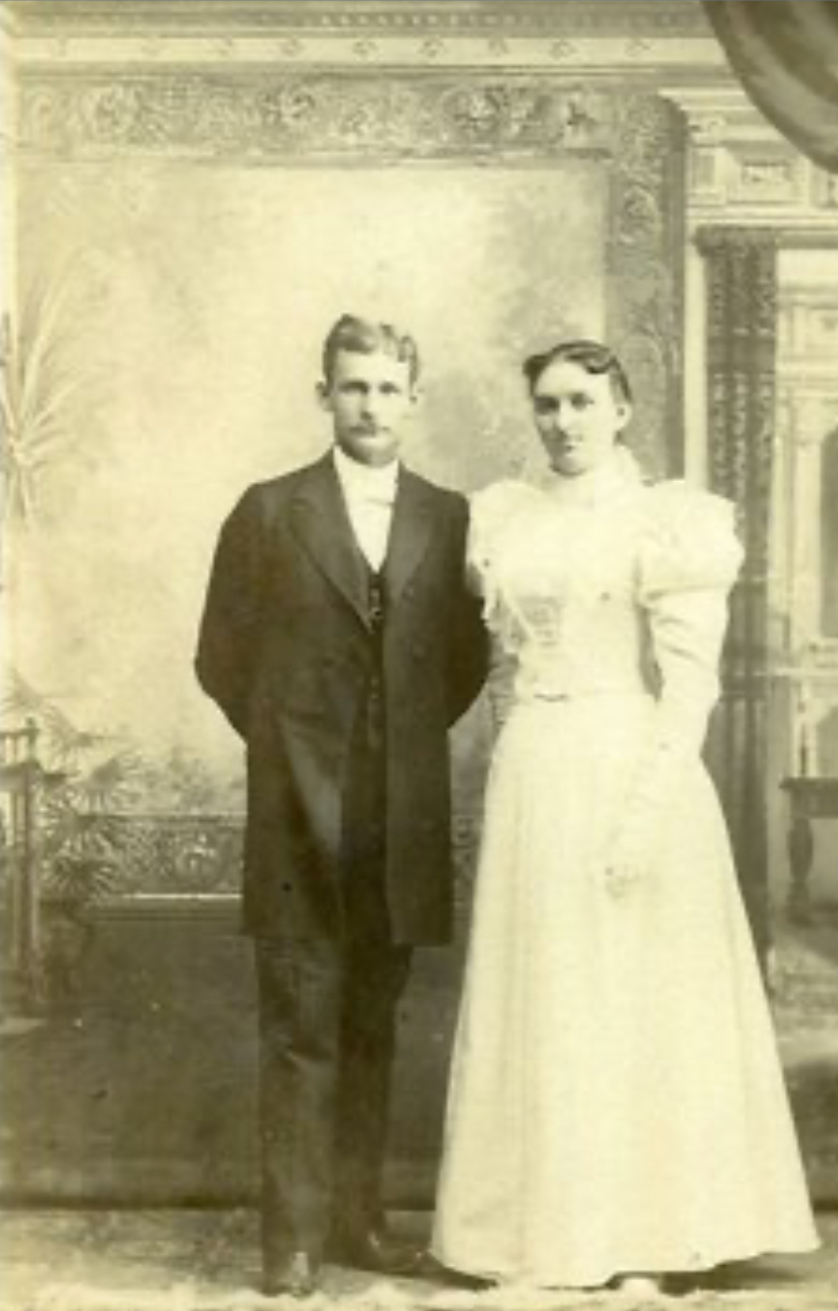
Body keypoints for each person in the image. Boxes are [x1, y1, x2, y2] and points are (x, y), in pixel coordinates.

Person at [430, 339, 819, 1295]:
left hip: (628, 760)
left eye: (581, 403)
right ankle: (534, 1231)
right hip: (533, 768)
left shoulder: (668, 521)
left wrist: (644, 813)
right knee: (545, 991)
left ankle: (649, 1233)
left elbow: (688, 686)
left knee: (627, 992)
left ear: (622, 410)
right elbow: (499, 668)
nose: (562, 423)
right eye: (547, 406)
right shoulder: (503, 518)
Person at [195, 313, 488, 1298]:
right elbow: (221, 658)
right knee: (300, 1027)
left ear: (415, 397)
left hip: (397, 817)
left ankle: (361, 1223)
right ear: (323, 393)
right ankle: (293, 1240)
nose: (370, 405)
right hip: (297, 815)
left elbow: (461, 663)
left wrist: (394, 747)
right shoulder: (270, 510)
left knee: (374, 1025)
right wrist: (297, 753)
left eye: (387, 387)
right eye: (352, 386)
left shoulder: (447, 517)